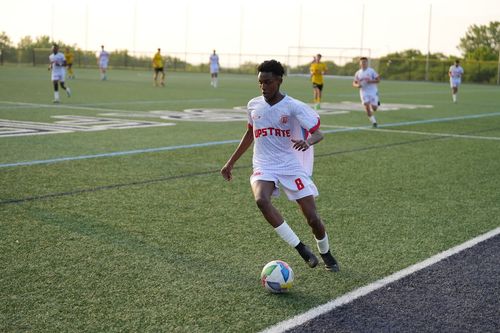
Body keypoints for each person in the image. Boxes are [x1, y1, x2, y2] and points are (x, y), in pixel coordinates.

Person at [220, 60, 339, 272]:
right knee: (261, 200)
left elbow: (319, 133)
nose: (263, 87)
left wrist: (307, 141)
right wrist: (231, 162)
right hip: (264, 164)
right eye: (260, 83)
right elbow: (250, 133)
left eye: (268, 82)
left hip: (290, 165)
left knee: (312, 218)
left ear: (279, 81)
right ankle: (301, 248)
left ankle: (326, 252)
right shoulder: (253, 105)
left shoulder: (292, 106)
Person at [353, 57, 381, 128]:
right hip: (364, 92)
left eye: (365, 62)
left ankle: (377, 102)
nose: (363, 63)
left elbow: (378, 80)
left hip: (373, 91)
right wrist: (357, 85)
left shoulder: (371, 71)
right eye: (362, 62)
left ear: (367, 63)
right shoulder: (358, 73)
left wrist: (370, 81)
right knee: (367, 108)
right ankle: (374, 122)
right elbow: (354, 83)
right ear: (360, 63)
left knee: (374, 108)